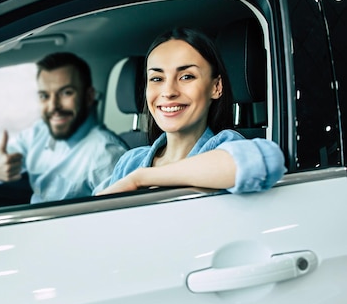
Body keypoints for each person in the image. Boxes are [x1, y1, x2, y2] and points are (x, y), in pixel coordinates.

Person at [97, 27, 285, 196]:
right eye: (156, 78)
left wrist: (143, 178)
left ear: (216, 87)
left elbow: (264, 161)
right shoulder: (131, 161)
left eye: (186, 76)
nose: (169, 92)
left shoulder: (226, 146)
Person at [0, 52, 128, 203]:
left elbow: (112, 223)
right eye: (44, 96)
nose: (53, 106)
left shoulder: (106, 154)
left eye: (66, 93)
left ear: (89, 96)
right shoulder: (39, 133)